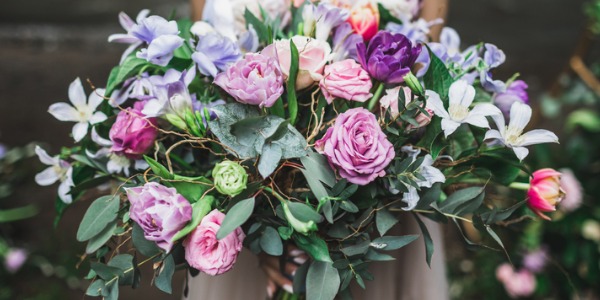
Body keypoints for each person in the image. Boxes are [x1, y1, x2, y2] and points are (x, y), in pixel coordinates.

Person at [184, 0, 449, 299]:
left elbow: (425, 71)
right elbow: (202, 56)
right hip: (246, 201)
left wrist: (322, 228)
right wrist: (265, 230)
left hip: (375, 204)